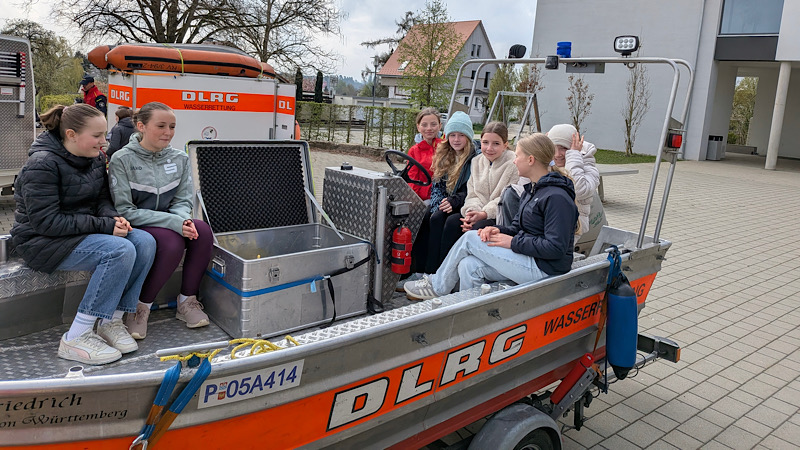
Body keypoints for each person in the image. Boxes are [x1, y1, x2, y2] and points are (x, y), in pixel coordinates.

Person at [10, 104, 156, 365]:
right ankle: (77, 336)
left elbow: (101, 199)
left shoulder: (96, 158)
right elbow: (46, 222)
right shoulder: (41, 165)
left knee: (144, 241)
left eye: (104, 134)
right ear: (71, 134)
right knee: (119, 250)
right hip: (41, 242)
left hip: (79, 234)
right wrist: (104, 226)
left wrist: (113, 217)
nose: (104, 142)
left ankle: (110, 322)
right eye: (97, 135)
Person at [404, 133, 579, 300]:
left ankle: (438, 286)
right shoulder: (532, 191)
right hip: (529, 258)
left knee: (470, 238)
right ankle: (470, 311)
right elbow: (517, 228)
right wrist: (496, 229)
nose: (514, 161)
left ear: (531, 160)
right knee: (468, 265)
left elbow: (556, 247)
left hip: (545, 268)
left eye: (517, 156)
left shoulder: (556, 197)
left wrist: (512, 242)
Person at [109, 101, 213, 339]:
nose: (168, 132)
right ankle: (140, 307)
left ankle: (187, 301)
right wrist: (175, 224)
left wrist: (185, 221)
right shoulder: (121, 159)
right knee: (172, 243)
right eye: (161, 126)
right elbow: (125, 210)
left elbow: (183, 200)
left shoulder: (180, 158)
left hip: (172, 221)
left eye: (172, 127)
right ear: (141, 126)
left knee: (202, 231)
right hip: (139, 223)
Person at [498, 124, 598, 239]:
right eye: (553, 147)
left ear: (574, 148)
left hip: (570, 226)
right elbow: (526, 191)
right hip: (539, 219)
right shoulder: (545, 163)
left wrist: (574, 156)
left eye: (564, 148)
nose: (557, 154)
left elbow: (579, 190)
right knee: (510, 194)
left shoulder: (586, 165)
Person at [412, 111, 477, 275]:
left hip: (464, 202)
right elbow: (438, 184)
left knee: (450, 223)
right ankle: (420, 268)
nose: (456, 139)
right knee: (428, 215)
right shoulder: (444, 154)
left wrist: (453, 201)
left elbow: (472, 188)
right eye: (452, 135)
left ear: (468, 137)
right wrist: (438, 204)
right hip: (448, 200)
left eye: (461, 135)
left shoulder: (474, 158)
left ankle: (440, 272)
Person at [458, 121, 519, 233]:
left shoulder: (513, 164)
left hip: (499, 214)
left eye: (496, 144)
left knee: (477, 227)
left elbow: (505, 198)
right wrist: (471, 213)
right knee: (452, 222)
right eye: (485, 142)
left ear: (505, 145)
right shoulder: (477, 161)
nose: (489, 148)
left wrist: (484, 213)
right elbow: (473, 194)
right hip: (479, 210)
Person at [406, 107, 442, 201]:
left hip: (441, 196)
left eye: (433, 124)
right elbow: (412, 178)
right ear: (418, 127)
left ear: (440, 126)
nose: (429, 128)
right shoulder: (414, 151)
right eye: (424, 125)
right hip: (422, 197)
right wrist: (415, 200)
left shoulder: (445, 147)